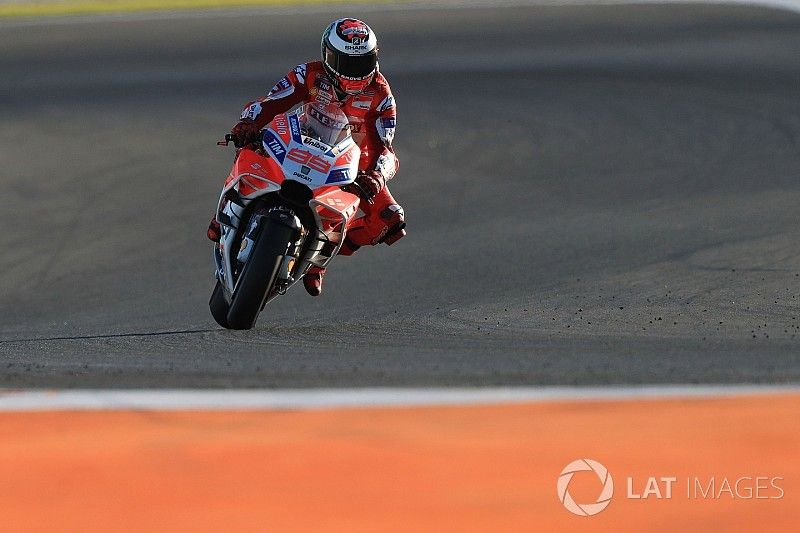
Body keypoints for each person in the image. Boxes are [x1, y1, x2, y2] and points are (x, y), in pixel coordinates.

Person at [208, 17, 406, 297]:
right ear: (328, 56)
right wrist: (247, 123)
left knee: (391, 220)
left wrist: (376, 174)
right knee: (250, 143)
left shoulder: (381, 96)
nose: (355, 72)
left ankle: (317, 261)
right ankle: (226, 211)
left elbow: (385, 147)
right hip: (301, 141)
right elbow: (270, 102)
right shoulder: (308, 74)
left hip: (349, 166)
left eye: (362, 62)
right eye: (347, 63)